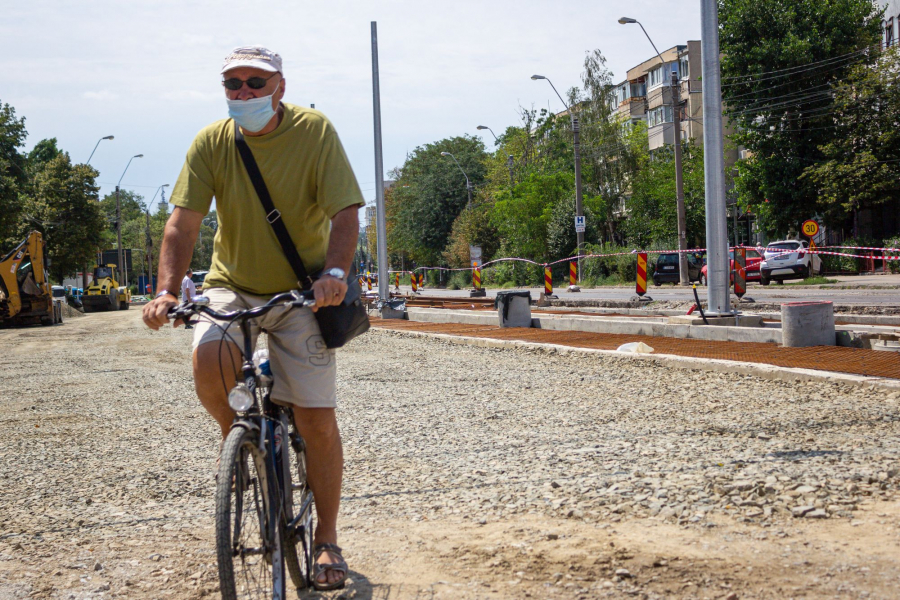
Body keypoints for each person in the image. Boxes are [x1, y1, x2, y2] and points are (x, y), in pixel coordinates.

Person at [141, 45, 362, 590]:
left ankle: (327, 538)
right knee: (209, 355)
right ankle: (235, 435)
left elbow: (345, 212)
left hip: (302, 290)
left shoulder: (315, 133)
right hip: (230, 286)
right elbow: (182, 224)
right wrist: (167, 292)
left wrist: (334, 271)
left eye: (255, 83)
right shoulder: (212, 142)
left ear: (279, 87)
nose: (243, 93)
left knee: (314, 418)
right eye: (233, 84)